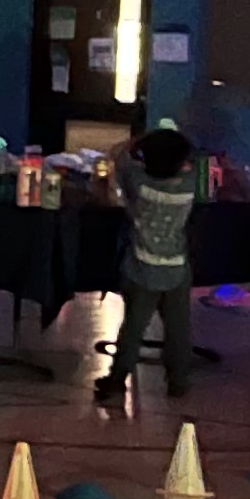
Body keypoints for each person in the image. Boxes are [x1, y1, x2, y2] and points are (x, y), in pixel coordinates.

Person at [96, 124, 201, 409]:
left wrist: (141, 138)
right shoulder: (188, 186)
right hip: (177, 267)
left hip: (141, 266)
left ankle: (116, 381)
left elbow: (118, 155)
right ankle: (178, 382)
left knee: (133, 329)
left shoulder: (138, 182)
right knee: (179, 329)